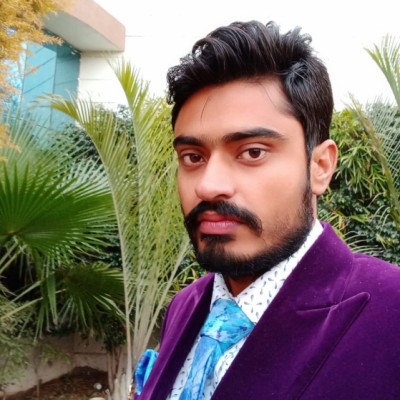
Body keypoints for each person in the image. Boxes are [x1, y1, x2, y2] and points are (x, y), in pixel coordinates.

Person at [134, 20, 400, 400]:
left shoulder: (390, 315)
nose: (208, 185)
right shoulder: (185, 305)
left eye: (252, 152)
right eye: (193, 157)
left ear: (320, 166)